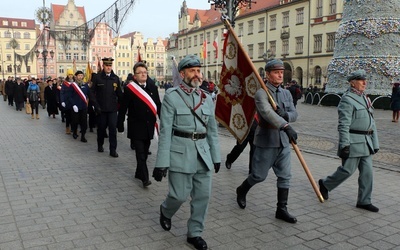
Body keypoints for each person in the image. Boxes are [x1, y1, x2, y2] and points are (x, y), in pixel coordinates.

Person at [152, 54, 221, 250]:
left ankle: (195, 233)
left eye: (199, 71)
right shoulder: (172, 97)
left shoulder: (207, 99)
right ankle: (166, 210)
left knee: (202, 197)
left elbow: (213, 131)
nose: (197, 75)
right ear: (182, 74)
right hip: (180, 153)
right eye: (192, 71)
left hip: (203, 155)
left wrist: (216, 157)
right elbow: (165, 132)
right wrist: (161, 163)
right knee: (179, 195)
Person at [235, 59, 298, 224]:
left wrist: (286, 115)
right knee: (258, 176)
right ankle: (241, 190)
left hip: (283, 141)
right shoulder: (261, 93)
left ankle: (281, 209)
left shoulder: (286, 93)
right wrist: (285, 124)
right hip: (266, 140)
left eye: (282, 72)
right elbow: (266, 113)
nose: (280, 75)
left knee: (285, 176)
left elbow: (294, 113)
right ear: (268, 74)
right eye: (276, 72)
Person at [319, 70, 380, 212]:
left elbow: (372, 122)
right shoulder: (347, 99)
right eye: (361, 80)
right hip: (354, 141)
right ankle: (325, 184)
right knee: (347, 170)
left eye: (365, 80)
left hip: (367, 142)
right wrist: (344, 144)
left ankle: (364, 201)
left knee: (367, 173)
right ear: (352, 82)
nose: (365, 83)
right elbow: (343, 125)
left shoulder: (365, 98)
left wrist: (375, 142)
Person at [118, 62, 161, 187]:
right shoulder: (129, 89)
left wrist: (163, 118)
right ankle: (145, 178)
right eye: (140, 72)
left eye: (145, 72)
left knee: (145, 151)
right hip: (136, 126)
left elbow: (158, 105)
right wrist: (119, 123)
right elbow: (123, 108)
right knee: (140, 154)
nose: (143, 74)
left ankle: (138, 172)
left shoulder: (153, 87)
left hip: (149, 126)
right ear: (135, 76)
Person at [90, 57, 122, 157]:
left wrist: (125, 105)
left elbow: (119, 94)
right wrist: (95, 105)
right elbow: (91, 92)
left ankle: (113, 150)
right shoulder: (98, 77)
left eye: (110, 65)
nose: (108, 67)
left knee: (113, 129)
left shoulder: (115, 78)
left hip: (112, 109)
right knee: (101, 129)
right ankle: (100, 144)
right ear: (103, 66)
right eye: (107, 65)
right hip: (101, 109)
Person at [70, 70, 90, 142]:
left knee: (84, 122)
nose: (80, 77)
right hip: (75, 107)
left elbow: (89, 94)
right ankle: (75, 132)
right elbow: (69, 96)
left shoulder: (85, 85)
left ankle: (83, 136)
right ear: (76, 76)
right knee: (75, 121)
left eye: (81, 75)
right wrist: (73, 104)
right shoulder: (73, 85)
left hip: (84, 106)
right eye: (79, 75)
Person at [60, 69, 75, 134]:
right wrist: (62, 101)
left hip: (74, 102)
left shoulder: (75, 82)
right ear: (67, 75)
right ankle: (67, 128)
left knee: (73, 116)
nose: (70, 76)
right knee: (68, 116)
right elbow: (62, 92)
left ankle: (73, 128)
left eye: (71, 74)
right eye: (69, 74)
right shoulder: (65, 83)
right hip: (67, 102)